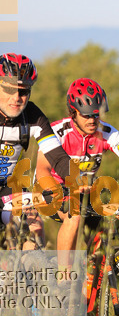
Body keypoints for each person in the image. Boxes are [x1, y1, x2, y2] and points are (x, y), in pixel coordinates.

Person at [35, 78, 119, 255]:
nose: (93, 120)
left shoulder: (108, 133)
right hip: (50, 189)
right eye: (86, 115)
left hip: (83, 191)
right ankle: (64, 277)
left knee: (108, 229)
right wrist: (58, 193)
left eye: (96, 114)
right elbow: (42, 169)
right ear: (73, 112)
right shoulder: (57, 132)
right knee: (74, 216)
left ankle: (99, 275)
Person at [0, 52, 71, 245]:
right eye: (9, 89)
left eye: (23, 92)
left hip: (9, 190)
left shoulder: (32, 115)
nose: (16, 98)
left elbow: (58, 157)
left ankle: (31, 273)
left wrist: (79, 182)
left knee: (34, 229)